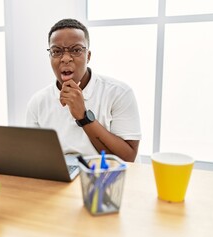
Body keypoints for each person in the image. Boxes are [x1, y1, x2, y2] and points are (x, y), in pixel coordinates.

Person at [26, 18, 141, 162]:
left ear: (88, 56)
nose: (66, 58)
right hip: (61, 179)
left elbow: (128, 158)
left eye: (76, 50)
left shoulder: (119, 93)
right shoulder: (38, 102)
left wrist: (83, 116)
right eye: (56, 51)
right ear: (50, 56)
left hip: (107, 177)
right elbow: (35, 157)